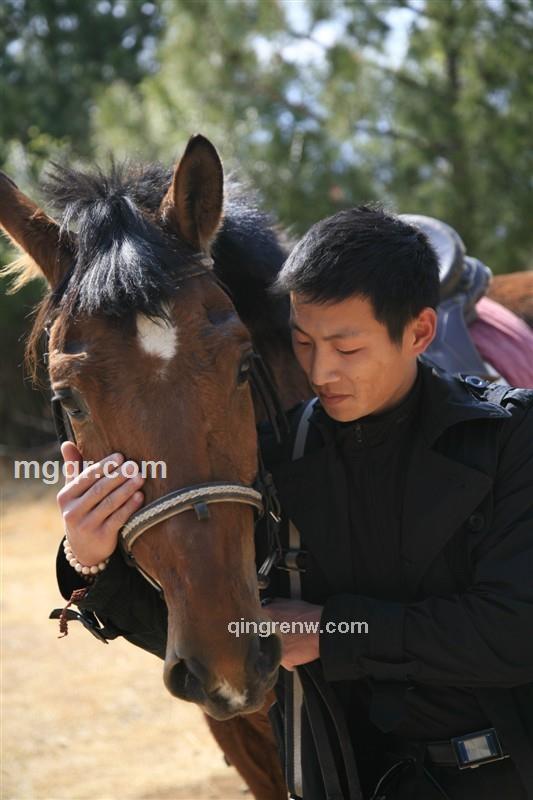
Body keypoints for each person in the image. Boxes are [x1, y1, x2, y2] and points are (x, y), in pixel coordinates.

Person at [55, 206, 533, 799]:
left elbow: (515, 630)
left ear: (419, 333)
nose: (321, 370)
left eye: (347, 347)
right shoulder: (282, 455)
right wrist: (88, 557)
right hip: (354, 781)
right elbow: (222, 632)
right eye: (303, 342)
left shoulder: (511, 436)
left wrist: (336, 633)